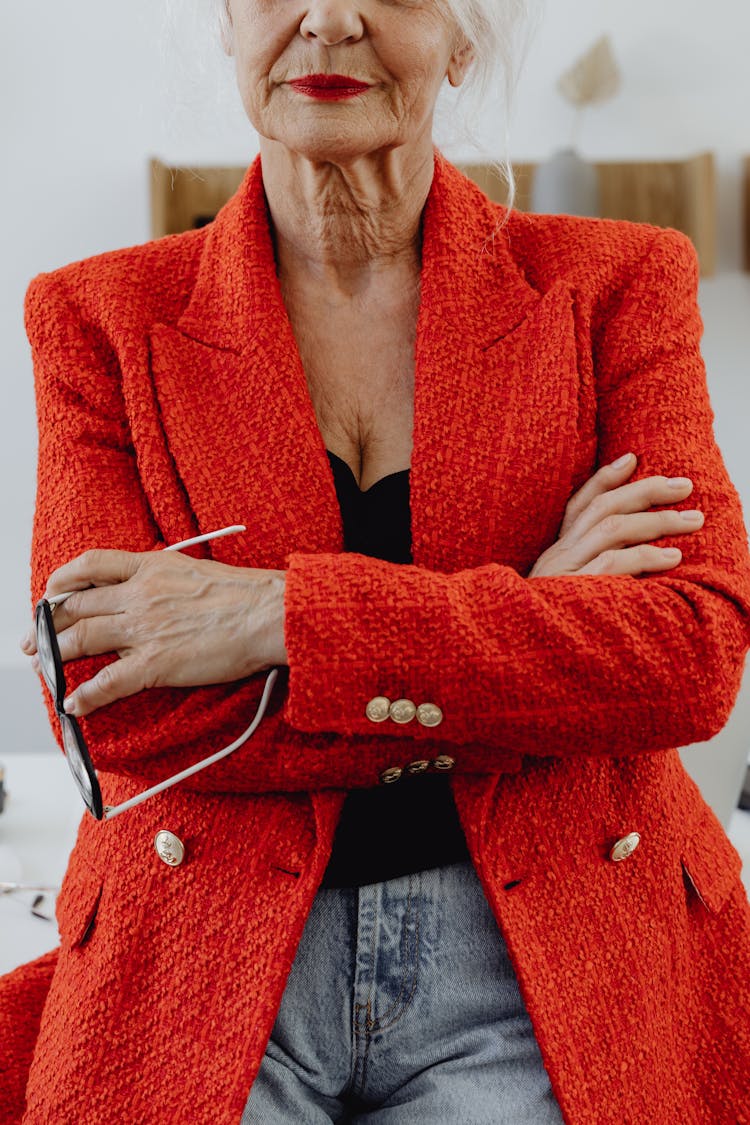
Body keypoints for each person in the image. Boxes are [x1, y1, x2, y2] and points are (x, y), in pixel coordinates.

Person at [2, 0, 749, 1121]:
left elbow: (687, 656)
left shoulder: (614, 284)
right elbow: (116, 720)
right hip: (202, 946)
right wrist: (531, 625)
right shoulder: (99, 318)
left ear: (461, 40)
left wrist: (273, 617)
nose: (332, 18)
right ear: (227, 27)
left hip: (540, 954)